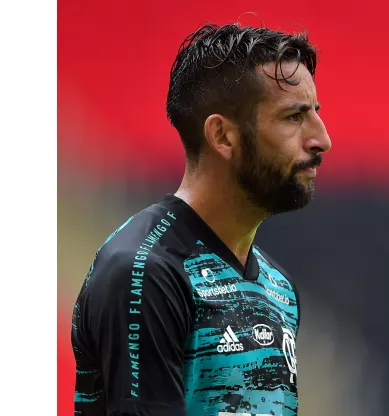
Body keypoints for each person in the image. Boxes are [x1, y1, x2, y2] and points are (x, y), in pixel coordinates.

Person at [71, 22, 331, 416]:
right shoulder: (147, 272)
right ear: (222, 136)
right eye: (294, 117)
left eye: (315, 113)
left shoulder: (280, 290)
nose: (321, 138)